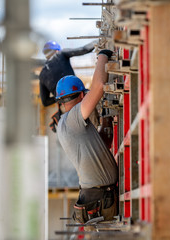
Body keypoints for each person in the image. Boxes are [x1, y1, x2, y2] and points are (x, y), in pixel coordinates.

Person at [55, 50, 118, 223]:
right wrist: (103, 56)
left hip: (99, 195)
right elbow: (98, 86)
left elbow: (99, 147)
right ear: (82, 95)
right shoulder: (73, 118)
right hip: (100, 198)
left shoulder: (68, 123)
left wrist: (106, 125)